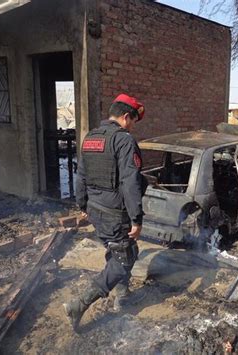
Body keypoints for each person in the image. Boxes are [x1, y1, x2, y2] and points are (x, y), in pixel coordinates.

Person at [64, 93, 147, 331]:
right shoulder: (124, 140)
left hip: (95, 210)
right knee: (125, 258)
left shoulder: (90, 138)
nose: (132, 127)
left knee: (118, 250)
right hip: (114, 213)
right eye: (133, 121)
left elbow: (81, 175)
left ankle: (122, 297)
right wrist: (136, 218)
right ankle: (79, 304)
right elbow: (131, 183)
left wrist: (82, 206)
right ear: (125, 117)